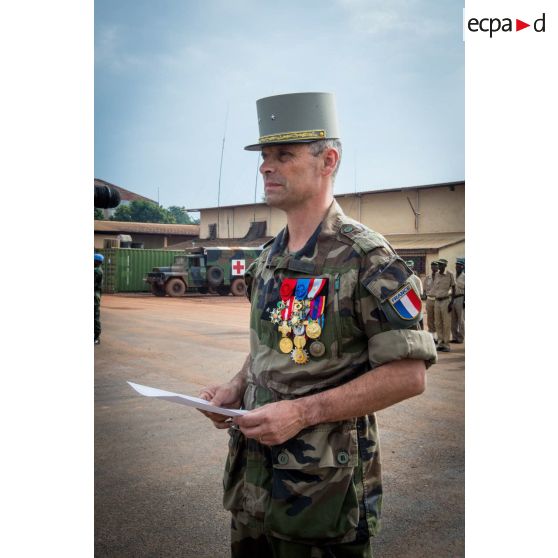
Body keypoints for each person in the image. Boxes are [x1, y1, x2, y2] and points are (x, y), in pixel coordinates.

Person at [199, 92, 437, 558]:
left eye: (283, 155)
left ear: (328, 160)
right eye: (264, 157)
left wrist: (303, 412)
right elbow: (276, 343)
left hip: (322, 497)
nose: (266, 167)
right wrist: (234, 387)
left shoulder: (368, 259)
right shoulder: (270, 258)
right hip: (254, 485)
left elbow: (409, 374)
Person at [431, 258, 455, 352]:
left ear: (445, 265)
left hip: (446, 301)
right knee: (438, 323)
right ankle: (440, 343)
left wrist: (452, 302)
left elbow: (453, 288)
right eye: (438, 265)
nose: (438, 266)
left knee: (446, 323)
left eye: (440, 265)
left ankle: (446, 344)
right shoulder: (436, 275)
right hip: (437, 301)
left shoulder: (450, 274)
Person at [422, 260, 439, 343]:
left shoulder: (441, 277)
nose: (433, 268)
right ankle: (432, 336)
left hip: (438, 300)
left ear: (438, 267)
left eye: (435, 266)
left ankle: (438, 336)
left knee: (437, 319)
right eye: (432, 266)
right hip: (429, 299)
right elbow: (424, 289)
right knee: (430, 319)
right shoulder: (427, 277)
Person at [451, 257, 465, 343]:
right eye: (456, 266)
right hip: (453, 298)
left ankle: (461, 338)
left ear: (463, 267)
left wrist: (465, 301)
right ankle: (454, 337)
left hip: (461, 298)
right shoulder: (452, 275)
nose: (457, 267)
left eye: (459, 266)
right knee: (453, 320)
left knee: (461, 319)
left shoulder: (465, 276)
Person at [94, 253, 104, 344]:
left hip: (94, 298)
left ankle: (96, 337)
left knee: (95, 317)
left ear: (97, 262)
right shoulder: (96, 270)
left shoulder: (97, 271)